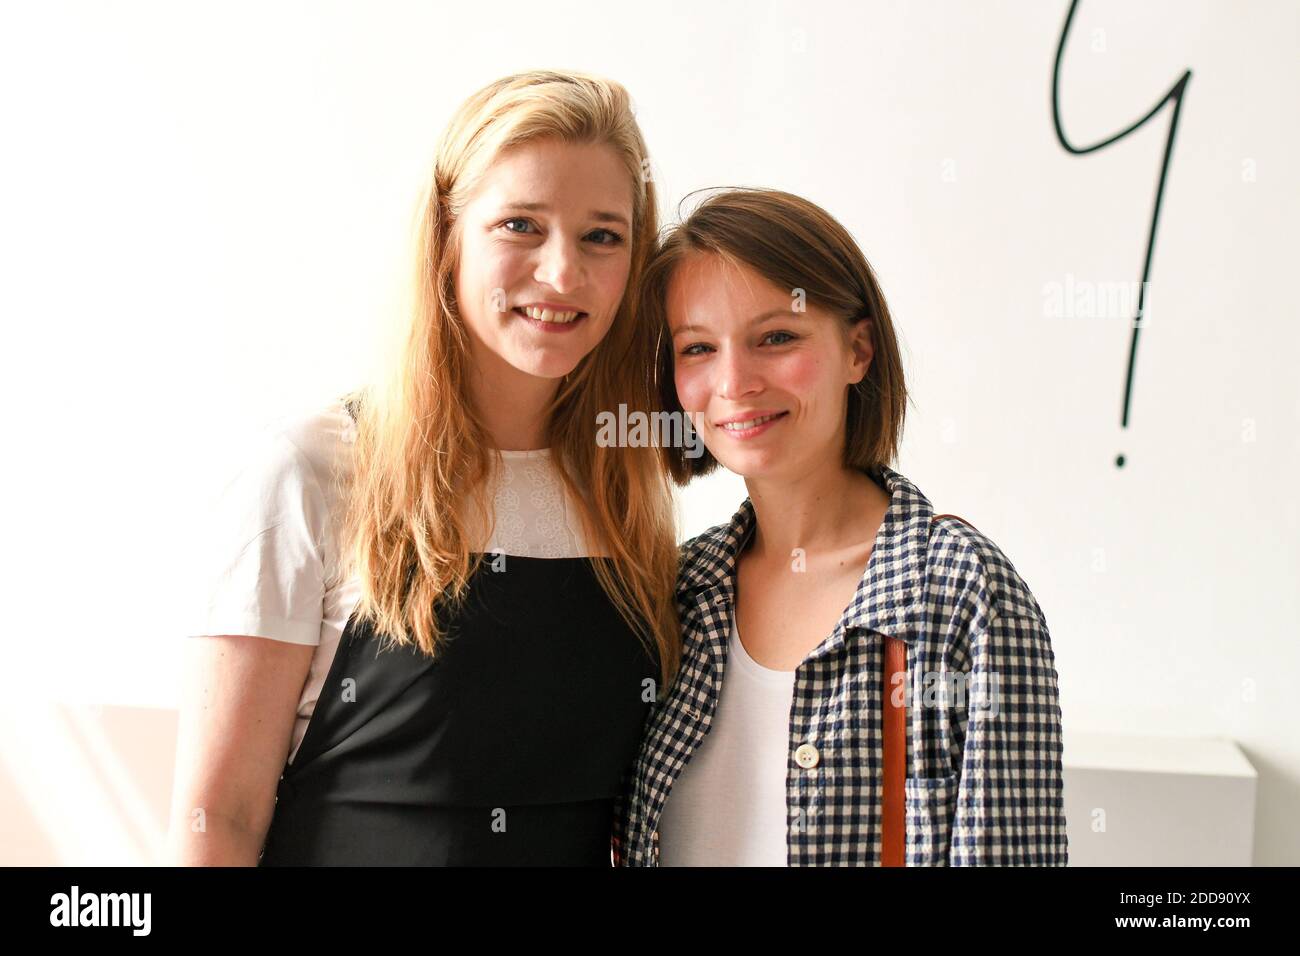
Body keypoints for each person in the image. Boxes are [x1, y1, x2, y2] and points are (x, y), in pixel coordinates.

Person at [167, 71, 681, 866]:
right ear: (445, 238)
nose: (563, 273)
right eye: (520, 225)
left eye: (602, 236)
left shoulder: (627, 486)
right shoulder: (313, 471)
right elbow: (218, 819)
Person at [613, 187, 1068, 866]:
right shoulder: (673, 592)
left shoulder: (963, 595)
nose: (734, 381)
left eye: (776, 338)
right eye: (699, 348)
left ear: (859, 350)